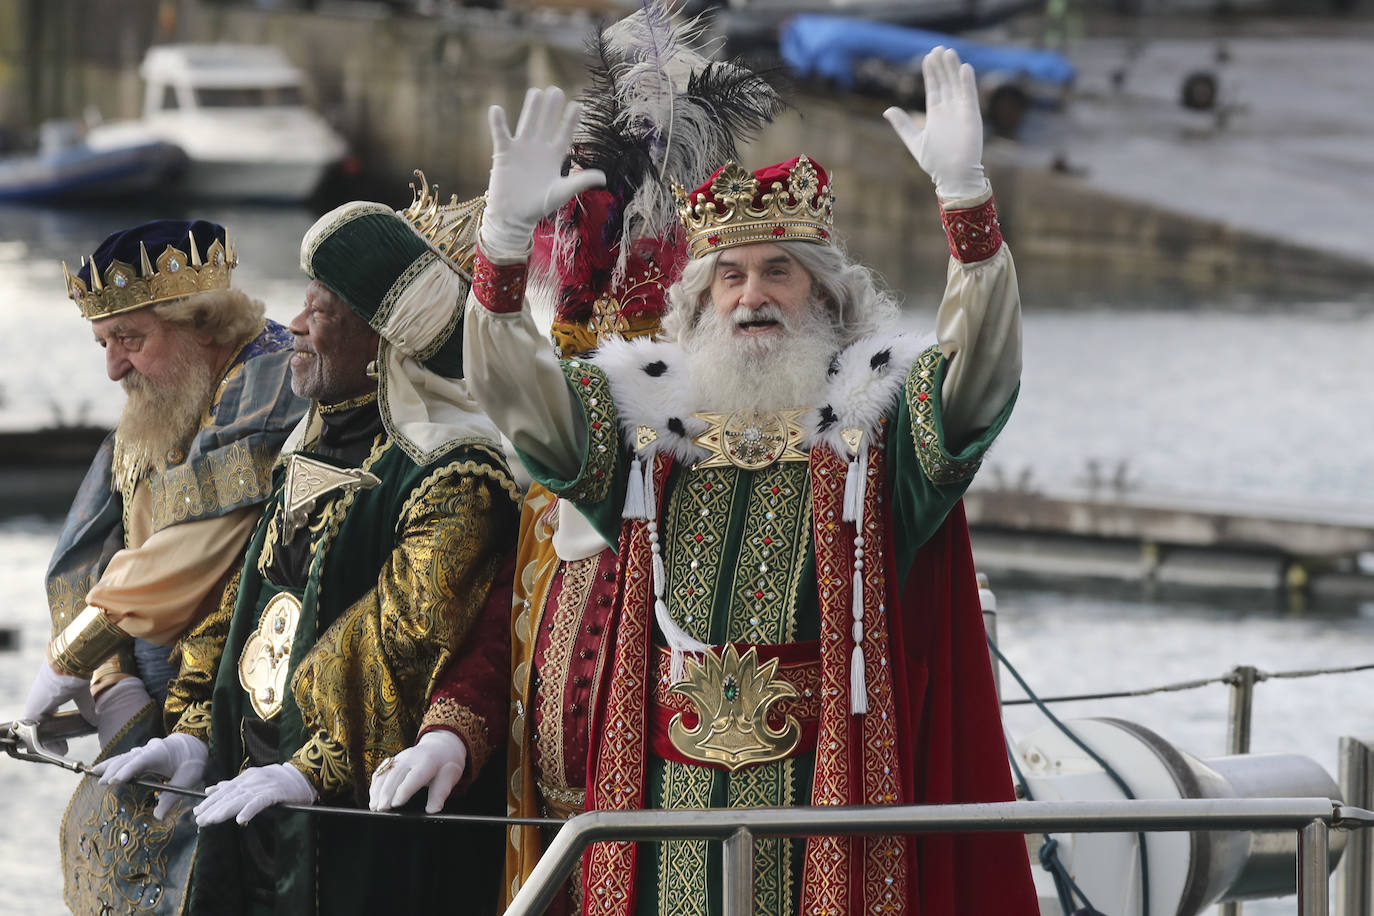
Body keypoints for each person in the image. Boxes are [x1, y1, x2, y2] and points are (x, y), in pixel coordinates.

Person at [460, 47, 1039, 914]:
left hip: (828, 808)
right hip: (660, 817)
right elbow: (518, 398)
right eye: (729, 276)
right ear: (697, 305)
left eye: (779, 271)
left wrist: (966, 206)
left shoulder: (875, 436)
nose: (751, 296)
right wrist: (503, 251)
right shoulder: (642, 430)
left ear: (829, 298)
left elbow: (980, 377)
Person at [365, 9, 787, 911]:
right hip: (540, 829)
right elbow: (502, 634)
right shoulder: (549, 469)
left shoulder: (700, 464)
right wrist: (454, 735)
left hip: (657, 833)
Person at [95, 184, 520, 916]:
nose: (293, 325)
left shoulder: (450, 475)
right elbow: (248, 602)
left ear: (386, 333)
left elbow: (405, 639)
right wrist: (196, 729)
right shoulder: (309, 448)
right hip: (252, 798)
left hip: (356, 828)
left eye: (320, 311)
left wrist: (309, 766)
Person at [22, 219, 305, 916]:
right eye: (104, 344)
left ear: (203, 324)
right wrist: (109, 677)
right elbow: (98, 546)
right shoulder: (158, 399)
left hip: (247, 705)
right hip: (147, 701)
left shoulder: (272, 381)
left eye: (131, 340)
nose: (113, 368)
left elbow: (201, 546)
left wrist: (70, 654)